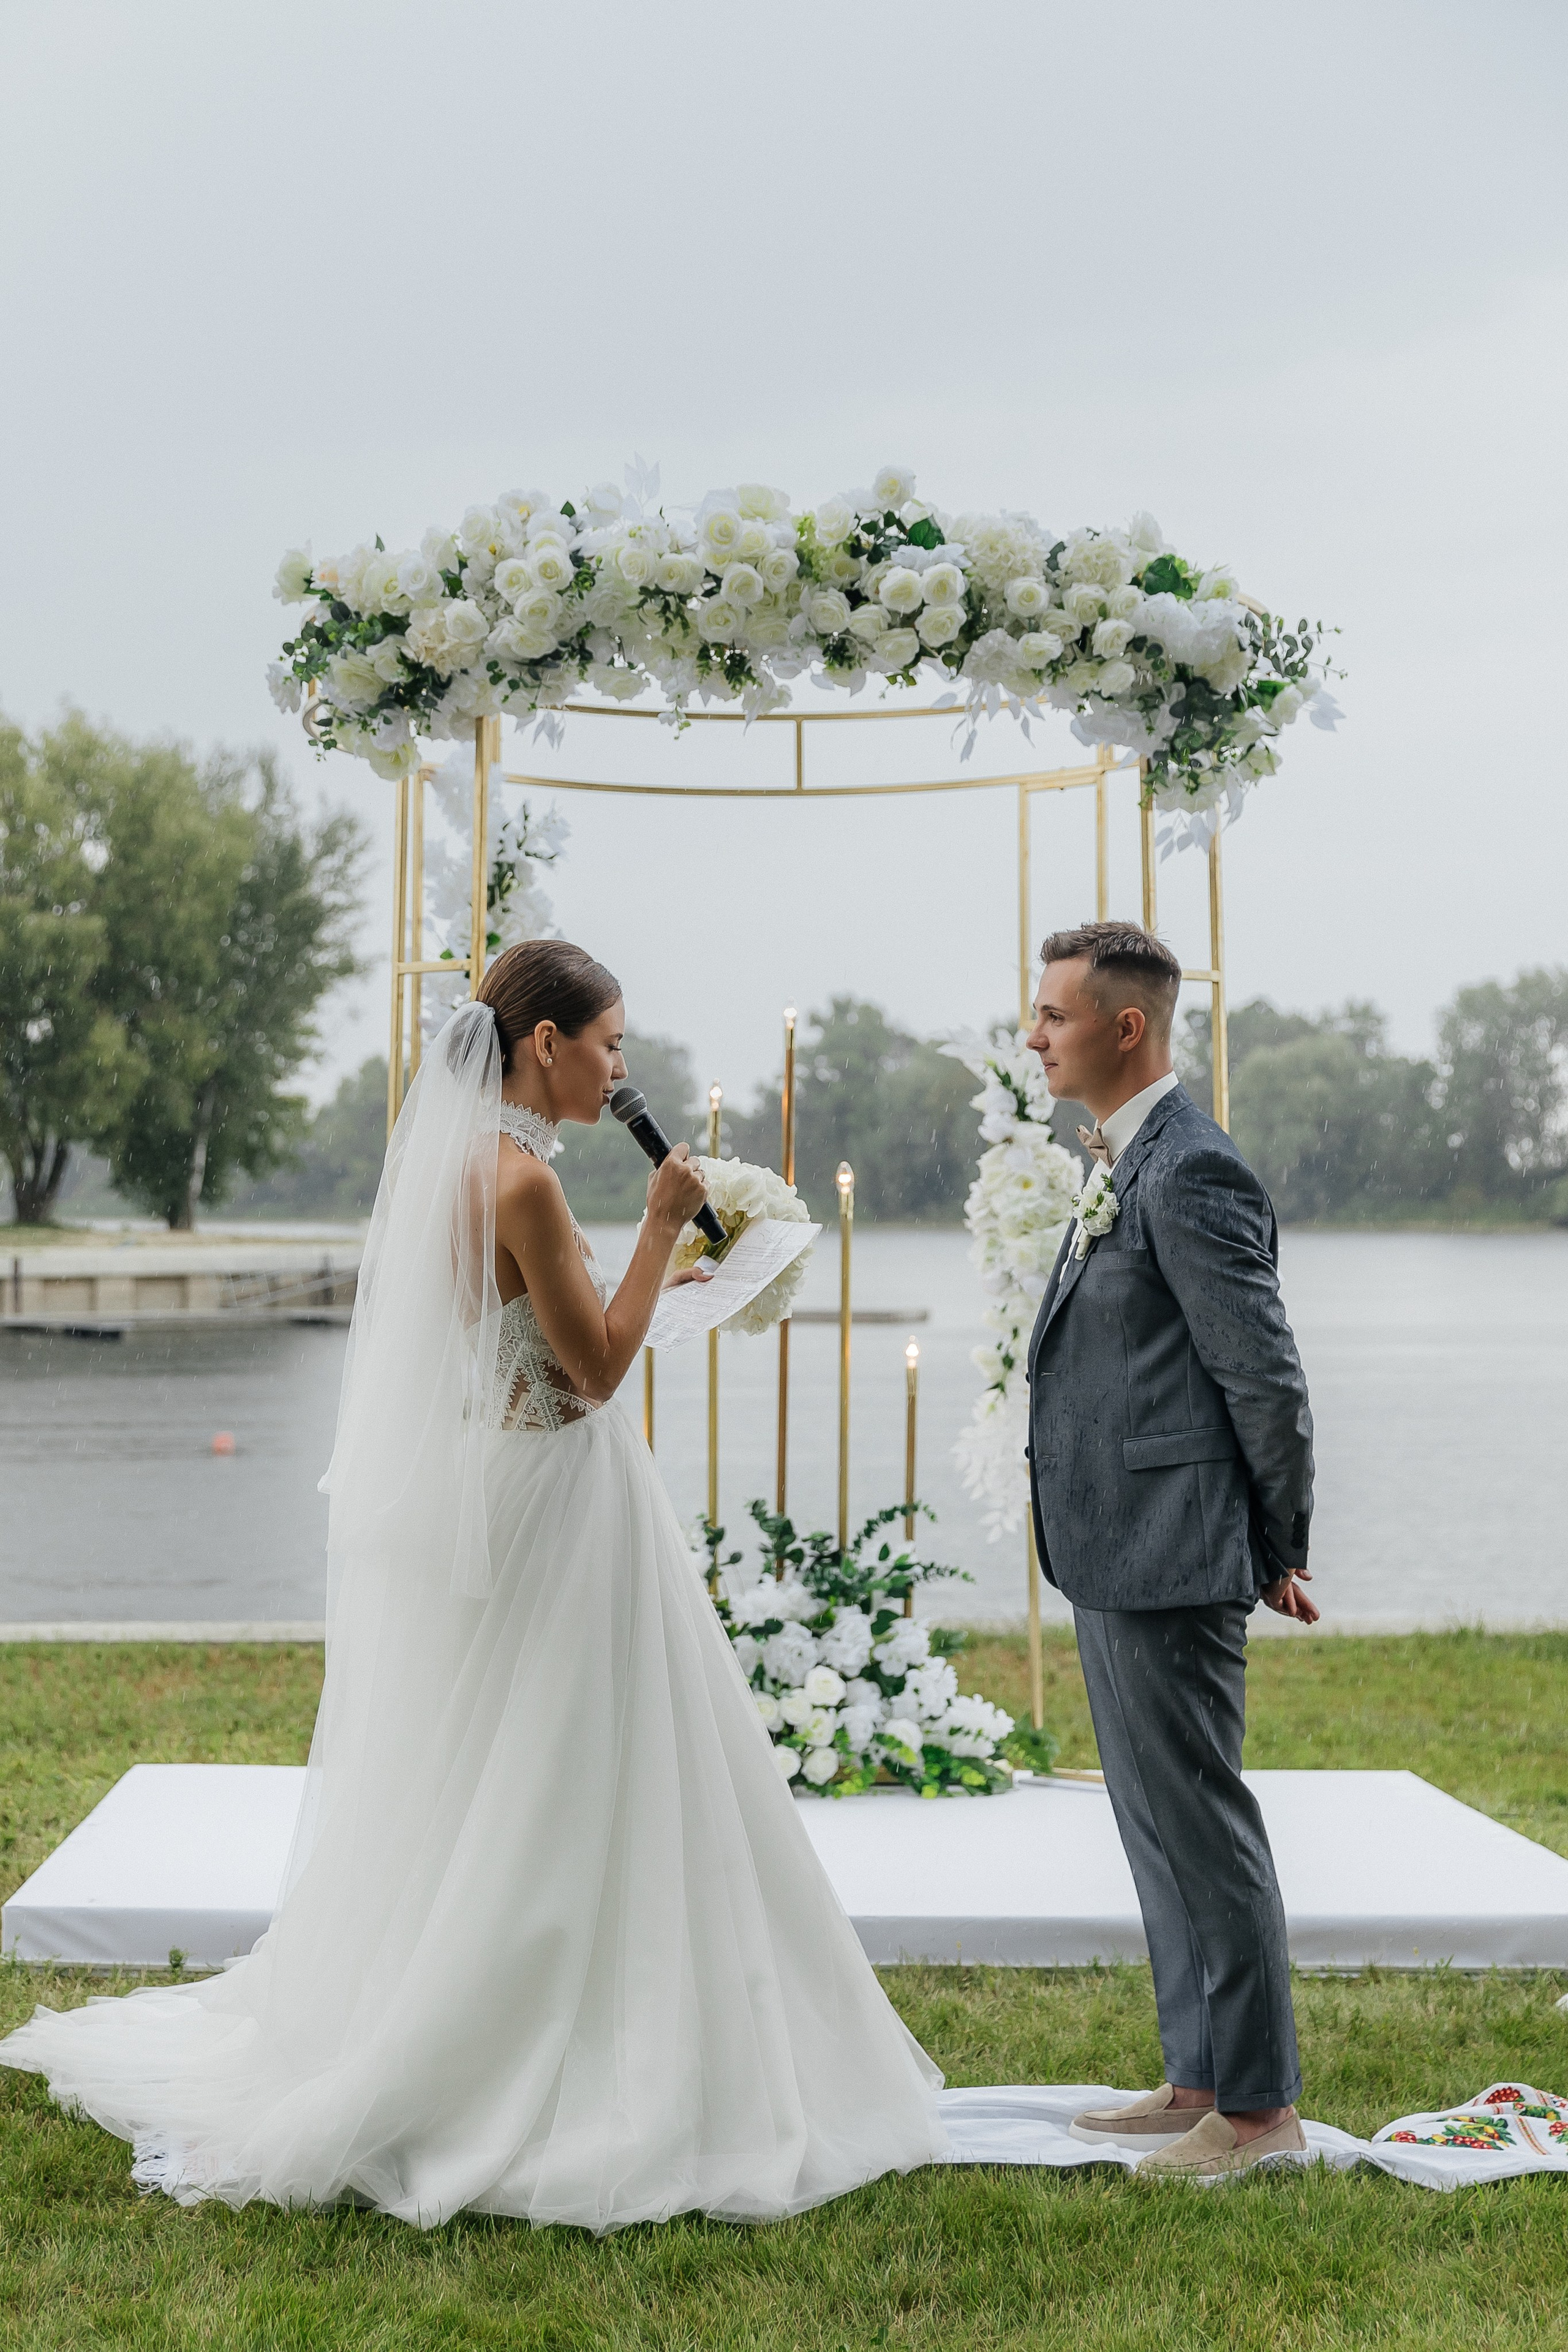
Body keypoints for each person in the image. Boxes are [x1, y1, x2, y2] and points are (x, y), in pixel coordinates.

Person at [0, 941, 948, 2229]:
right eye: (608, 1044)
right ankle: (552, 2044)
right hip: (560, 1493)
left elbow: (524, 1348)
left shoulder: (451, 1169)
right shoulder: (522, 1188)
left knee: (500, 1759)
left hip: (492, 1473)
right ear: (543, 1044)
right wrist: (668, 1233)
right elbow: (600, 1369)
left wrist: (664, 1274)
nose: (620, 1069)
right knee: (571, 1757)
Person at [1024, 921, 1317, 2180]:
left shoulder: (1191, 1171)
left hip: (1176, 1545)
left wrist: (1276, 1540)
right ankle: (1195, 2075)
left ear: (1124, 1026)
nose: (1032, 1036)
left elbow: (1261, 1375)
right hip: (1109, 1542)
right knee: (1150, 1822)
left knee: (1200, 1823)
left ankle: (1256, 2114)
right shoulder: (1121, 1160)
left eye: (1051, 1016)